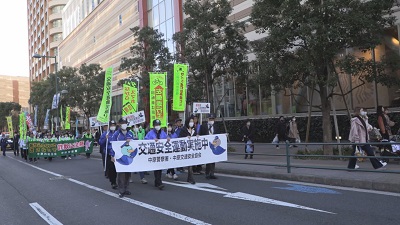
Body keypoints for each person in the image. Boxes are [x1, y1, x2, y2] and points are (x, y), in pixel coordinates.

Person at [110, 118, 136, 198]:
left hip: (129, 156)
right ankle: (121, 190)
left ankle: (126, 188)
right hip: (120, 157)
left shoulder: (130, 133)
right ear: (119, 124)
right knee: (121, 174)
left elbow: (135, 144)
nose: (124, 124)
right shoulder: (116, 135)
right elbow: (112, 146)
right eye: (122, 123)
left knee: (128, 173)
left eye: (125, 123)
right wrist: (112, 155)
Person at [145, 119, 168, 189]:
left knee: (160, 167)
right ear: (154, 126)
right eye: (156, 125)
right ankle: (159, 182)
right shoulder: (150, 133)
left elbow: (166, 138)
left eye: (158, 125)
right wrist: (152, 140)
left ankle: (157, 181)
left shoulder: (163, 132)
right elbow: (145, 140)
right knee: (156, 167)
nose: (157, 126)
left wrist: (168, 139)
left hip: (160, 152)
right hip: (154, 152)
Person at [99, 120, 118, 190]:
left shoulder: (117, 133)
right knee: (111, 169)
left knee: (118, 169)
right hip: (109, 154)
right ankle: (113, 182)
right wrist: (105, 139)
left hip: (117, 154)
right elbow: (100, 143)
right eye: (111, 125)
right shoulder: (105, 134)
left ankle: (121, 182)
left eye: (114, 125)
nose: (113, 126)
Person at [200, 113, 219, 179]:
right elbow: (201, 134)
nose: (211, 120)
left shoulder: (216, 126)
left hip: (214, 144)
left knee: (213, 159)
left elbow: (219, 134)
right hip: (206, 144)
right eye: (210, 119)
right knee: (208, 159)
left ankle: (212, 173)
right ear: (208, 119)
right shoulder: (204, 126)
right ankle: (207, 173)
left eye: (212, 119)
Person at [179, 116, 197, 184]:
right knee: (189, 164)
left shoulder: (194, 130)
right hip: (186, 149)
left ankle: (189, 177)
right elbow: (180, 138)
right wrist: (186, 137)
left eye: (192, 121)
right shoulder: (183, 130)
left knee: (191, 164)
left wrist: (197, 136)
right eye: (190, 121)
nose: (191, 123)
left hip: (192, 149)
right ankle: (190, 178)